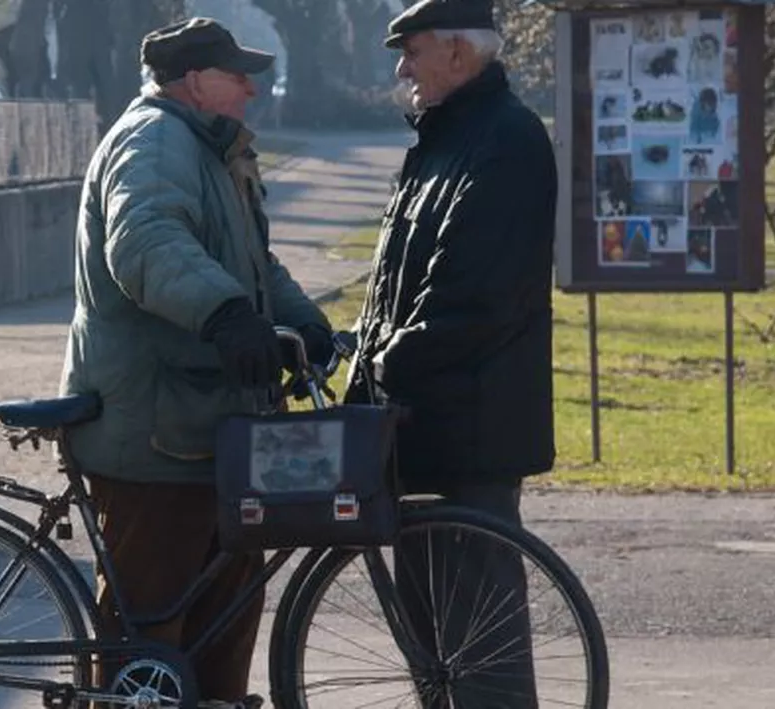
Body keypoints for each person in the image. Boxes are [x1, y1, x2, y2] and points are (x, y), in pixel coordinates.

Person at [57, 16, 333, 709]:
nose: (251, 87)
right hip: (154, 434)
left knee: (222, 625)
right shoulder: (153, 142)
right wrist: (226, 314)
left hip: (210, 429)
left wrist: (303, 323)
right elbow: (145, 243)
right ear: (193, 81)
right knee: (147, 639)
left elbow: (253, 262)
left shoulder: (211, 148)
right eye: (236, 74)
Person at [346, 0, 558, 706]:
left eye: (412, 51)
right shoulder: (444, 139)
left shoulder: (505, 142)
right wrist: (361, 354)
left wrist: (385, 363)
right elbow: (395, 286)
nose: (402, 68)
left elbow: (472, 298)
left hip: (471, 433)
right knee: (436, 656)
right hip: (423, 432)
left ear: (459, 54)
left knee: (479, 658)